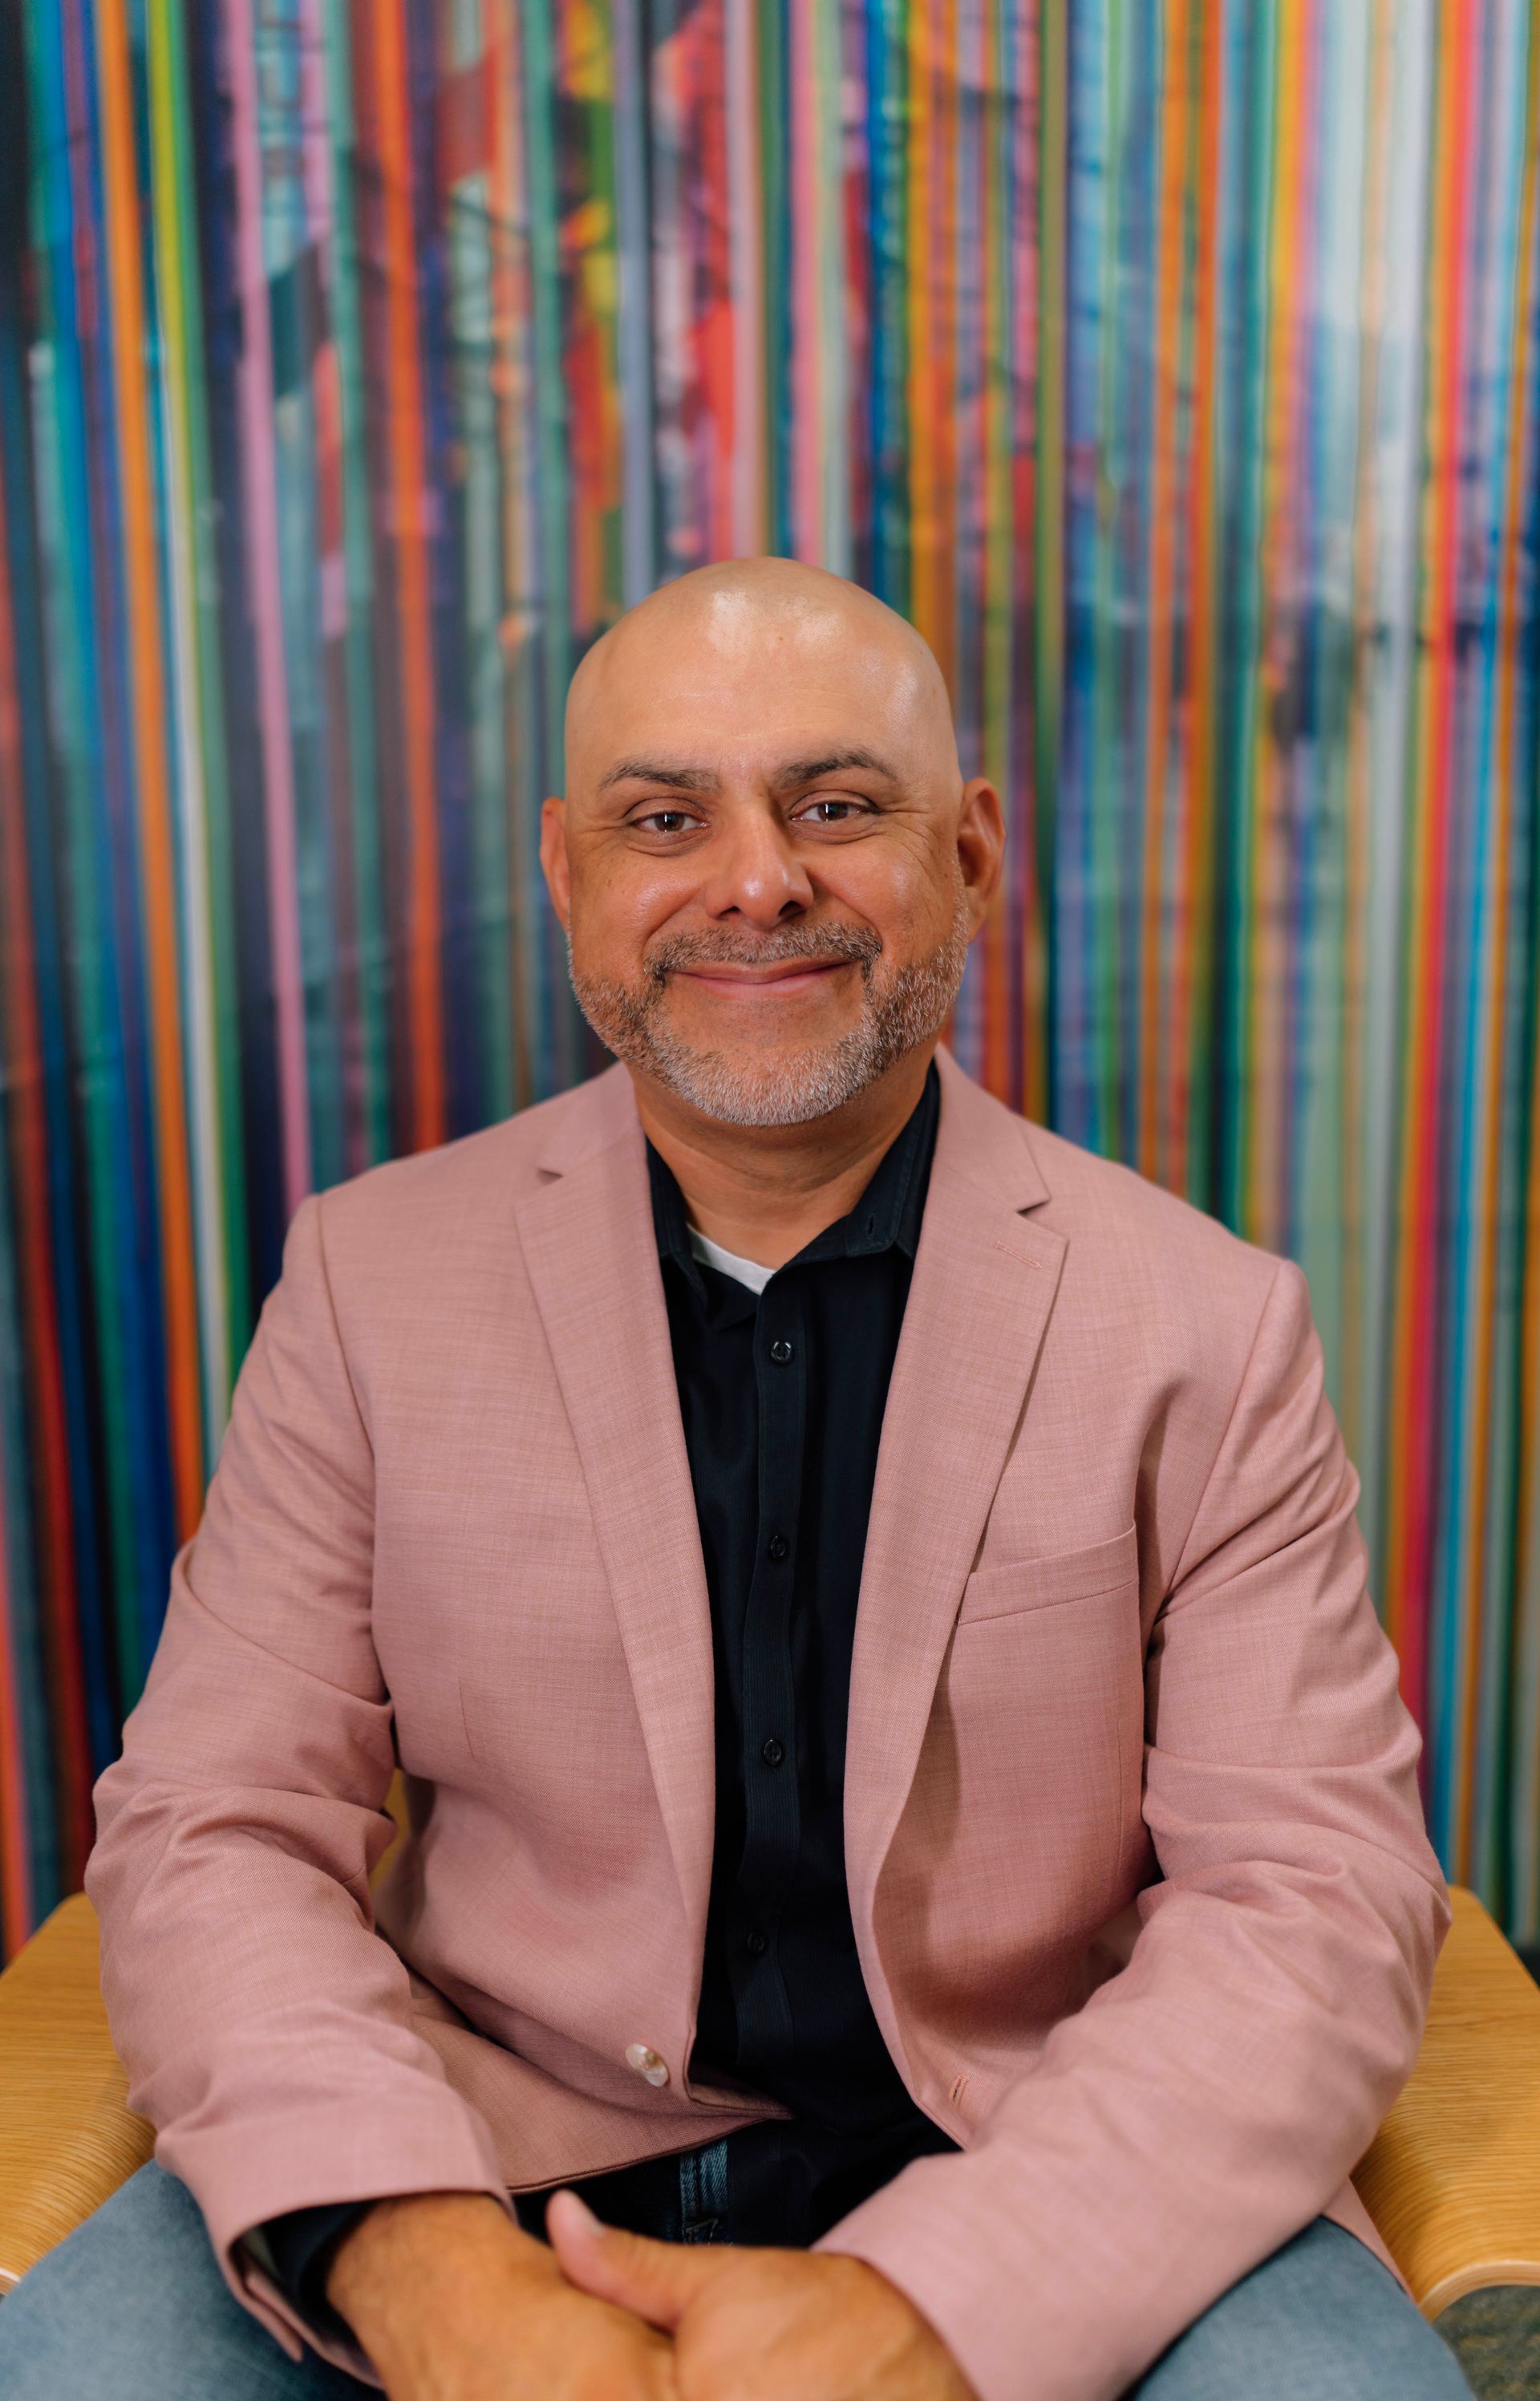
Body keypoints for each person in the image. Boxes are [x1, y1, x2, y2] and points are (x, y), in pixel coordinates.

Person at [0, 559, 1470, 2401]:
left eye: (836, 807)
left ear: (972, 855)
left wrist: (935, 2305)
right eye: (664, 819)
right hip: (475, 2143)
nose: (757, 881)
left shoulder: (1210, 1326)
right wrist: (421, 2264)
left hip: (1034, 2148)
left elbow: (1311, 1893)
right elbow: (215, 1822)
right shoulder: (371, 1283)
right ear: (568, 876)